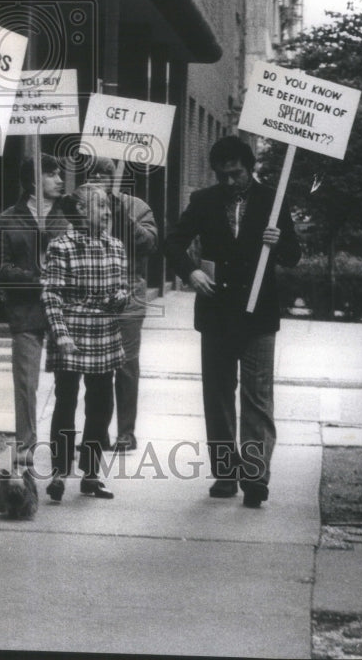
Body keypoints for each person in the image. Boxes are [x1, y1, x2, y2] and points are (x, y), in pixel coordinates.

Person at [165, 136, 301, 508]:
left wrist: (281, 237)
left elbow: (292, 256)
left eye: (236, 173)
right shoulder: (204, 201)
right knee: (219, 395)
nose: (229, 181)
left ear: (250, 166)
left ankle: (255, 477)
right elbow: (172, 242)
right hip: (216, 311)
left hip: (259, 314)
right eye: (222, 175)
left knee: (257, 397)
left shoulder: (272, 200)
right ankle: (226, 474)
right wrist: (191, 273)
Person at [41, 183, 128, 502]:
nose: (107, 213)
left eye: (107, 207)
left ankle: (91, 474)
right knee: (66, 402)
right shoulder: (61, 246)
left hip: (104, 333)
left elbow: (121, 290)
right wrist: (59, 333)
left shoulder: (116, 246)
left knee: (102, 406)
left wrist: (120, 297)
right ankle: (59, 472)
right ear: (81, 211)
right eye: (101, 207)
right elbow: (51, 293)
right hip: (72, 334)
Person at [0, 153, 67, 466]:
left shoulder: (70, 217)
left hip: (64, 312)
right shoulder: (7, 219)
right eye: (52, 174)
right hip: (25, 313)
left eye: (59, 174)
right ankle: (25, 444)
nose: (60, 180)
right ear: (34, 180)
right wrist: (37, 281)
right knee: (26, 383)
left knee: (68, 381)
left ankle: (64, 445)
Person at [84, 156, 158, 453]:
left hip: (129, 296)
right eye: (95, 174)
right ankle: (97, 430)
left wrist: (121, 214)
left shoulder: (137, 206)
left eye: (107, 174)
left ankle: (126, 432)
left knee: (126, 365)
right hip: (93, 297)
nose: (101, 179)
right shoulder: (82, 208)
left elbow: (148, 244)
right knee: (95, 368)